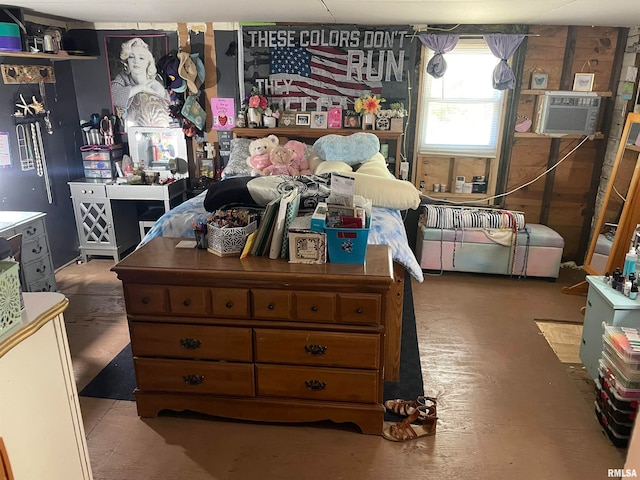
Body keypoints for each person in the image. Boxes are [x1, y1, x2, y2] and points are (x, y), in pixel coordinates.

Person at [110, 37, 171, 128]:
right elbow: (114, 97)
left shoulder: (156, 81)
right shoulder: (122, 78)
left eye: (141, 58)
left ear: (148, 62)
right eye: (131, 57)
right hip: (132, 132)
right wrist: (141, 88)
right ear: (127, 60)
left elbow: (167, 113)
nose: (136, 61)